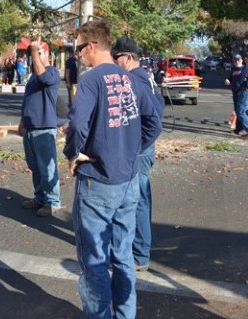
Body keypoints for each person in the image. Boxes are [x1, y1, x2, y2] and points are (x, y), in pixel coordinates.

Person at [64, 21, 162, 319]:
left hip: (99, 182)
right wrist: (131, 150)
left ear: (92, 46)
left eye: (79, 48)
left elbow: (77, 125)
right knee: (122, 256)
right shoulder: (131, 78)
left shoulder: (92, 80)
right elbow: (153, 122)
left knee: (94, 261)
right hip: (128, 180)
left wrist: (73, 154)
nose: (77, 55)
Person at [111, 36, 165, 273]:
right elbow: (158, 107)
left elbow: (154, 122)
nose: (113, 61)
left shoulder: (133, 80)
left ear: (128, 57)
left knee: (137, 201)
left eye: (117, 57)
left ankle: (139, 255)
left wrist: (136, 145)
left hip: (139, 151)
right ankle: (136, 251)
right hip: (143, 149)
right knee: (137, 200)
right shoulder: (145, 77)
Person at [19, 39, 61, 217]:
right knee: (35, 166)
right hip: (30, 127)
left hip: (44, 127)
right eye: (33, 53)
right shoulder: (33, 77)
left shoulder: (51, 73)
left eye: (39, 53)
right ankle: (40, 197)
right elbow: (27, 100)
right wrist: (22, 121)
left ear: (47, 55)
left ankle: (53, 202)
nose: (35, 56)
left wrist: (34, 51)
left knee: (47, 167)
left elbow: (42, 75)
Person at [224, 54, 243, 130]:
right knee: (236, 107)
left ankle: (236, 123)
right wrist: (227, 80)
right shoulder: (233, 69)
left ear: (241, 60)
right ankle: (235, 123)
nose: (237, 61)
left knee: (240, 108)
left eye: (238, 60)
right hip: (234, 90)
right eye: (235, 60)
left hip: (242, 91)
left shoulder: (244, 68)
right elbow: (230, 78)